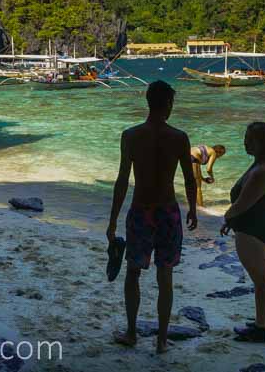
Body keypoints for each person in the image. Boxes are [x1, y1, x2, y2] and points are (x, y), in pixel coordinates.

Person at [107, 80, 198, 354]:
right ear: (168, 104)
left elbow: (122, 180)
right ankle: (161, 340)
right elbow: (189, 180)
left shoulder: (131, 135)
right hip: (168, 212)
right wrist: (192, 208)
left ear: (148, 102)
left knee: (133, 272)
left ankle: (132, 333)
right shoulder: (179, 137)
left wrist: (112, 220)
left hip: (140, 212)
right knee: (165, 275)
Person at [220, 121, 265, 343]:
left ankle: (260, 329)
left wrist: (227, 217)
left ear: (261, 143)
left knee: (261, 281)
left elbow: (243, 204)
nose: (245, 143)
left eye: (250, 140)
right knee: (262, 279)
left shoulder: (262, 171)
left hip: (254, 229)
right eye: (245, 138)